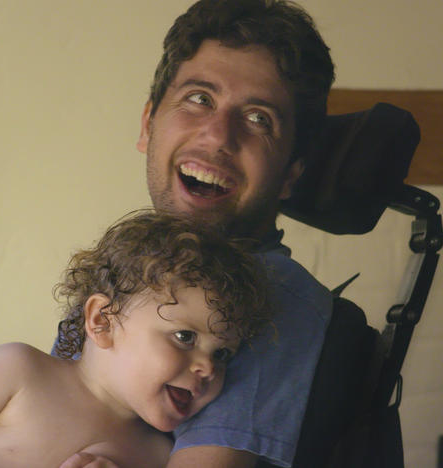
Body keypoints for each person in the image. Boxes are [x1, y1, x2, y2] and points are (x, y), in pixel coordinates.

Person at [0, 212, 271, 468]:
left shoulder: (156, 456)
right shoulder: (20, 371)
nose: (208, 368)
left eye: (223, 353)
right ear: (102, 320)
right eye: (184, 336)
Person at [131, 0, 336, 466]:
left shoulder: (269, 301)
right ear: (148, 125)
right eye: (199, 98)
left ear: (289, 175)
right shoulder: (125, 273)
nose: (219, 136)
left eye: (259, 118)